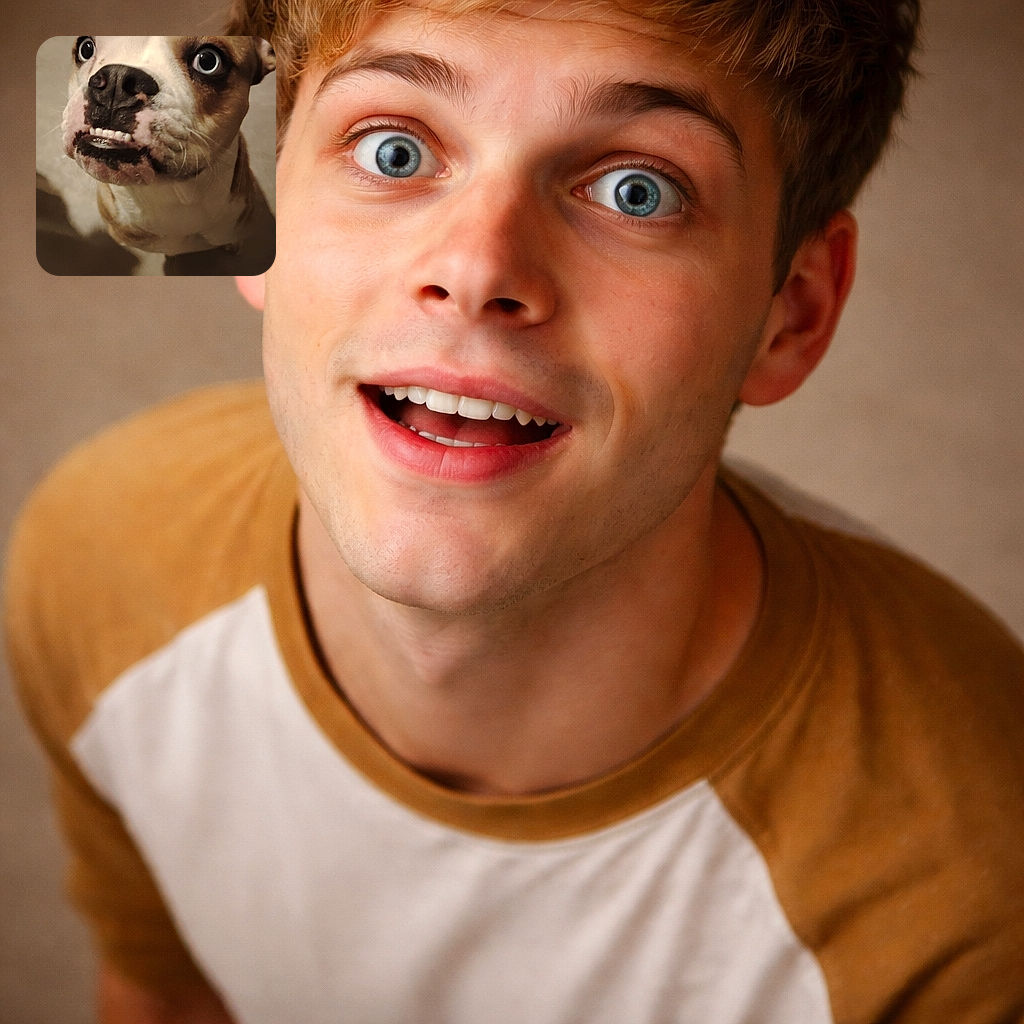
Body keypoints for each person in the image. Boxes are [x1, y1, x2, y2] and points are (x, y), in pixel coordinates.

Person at [5, 0, 1023, 1021]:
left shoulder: (972, 883)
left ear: (789, 312)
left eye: (638, 189)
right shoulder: (99, 557)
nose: (479, 267)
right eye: (394, 150)